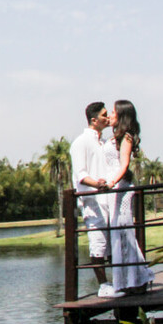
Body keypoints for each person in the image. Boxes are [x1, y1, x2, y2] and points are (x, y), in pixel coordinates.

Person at [105, 99, 155, 295]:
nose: (110, 115)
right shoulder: (114, 138)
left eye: (113, 112)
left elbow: (124, 164)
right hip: (112, 188)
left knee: (124, 231)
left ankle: (135, 279)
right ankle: (128, 280)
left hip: (121, 187)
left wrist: (111, 183)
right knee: (118, 233)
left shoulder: (126, 137)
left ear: (121, 115)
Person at [70, 101, 113, 292]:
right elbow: (81, 174)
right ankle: (103, 284)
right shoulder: (81, 142)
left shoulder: (104, 143)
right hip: (93, 201)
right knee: (98, 242)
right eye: (104, 115)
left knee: (113, 241)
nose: (108, 118)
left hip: (108, 199)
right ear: (94, 120)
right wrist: (98, 185)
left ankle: (118, 281)